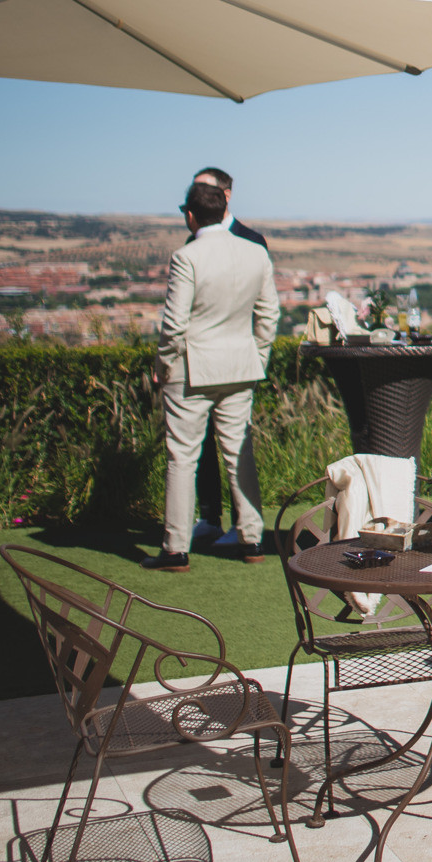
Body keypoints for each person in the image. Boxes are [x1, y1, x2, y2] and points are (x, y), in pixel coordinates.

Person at [144, 180, 279, 571]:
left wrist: (164, 363)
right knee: (240, 451)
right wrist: (258, 356)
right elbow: (268, 315)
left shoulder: (187, 256)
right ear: (224, 209)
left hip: (192, 369)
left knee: (182, 457)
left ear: (189, 215)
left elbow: (173, 324)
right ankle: (252, 538)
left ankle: (175, 547)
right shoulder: (256, 253)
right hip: (241, 365)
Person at [186, 166, 271, 552]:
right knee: (200, 448)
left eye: (203, 190)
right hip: (199, 362)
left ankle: (243, 525)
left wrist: (258, 357)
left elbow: (264, 310)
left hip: (236, 361)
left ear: (224, 196)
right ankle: (208, 516)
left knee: (235, 448)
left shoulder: (252, 241)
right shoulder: (194, 242)